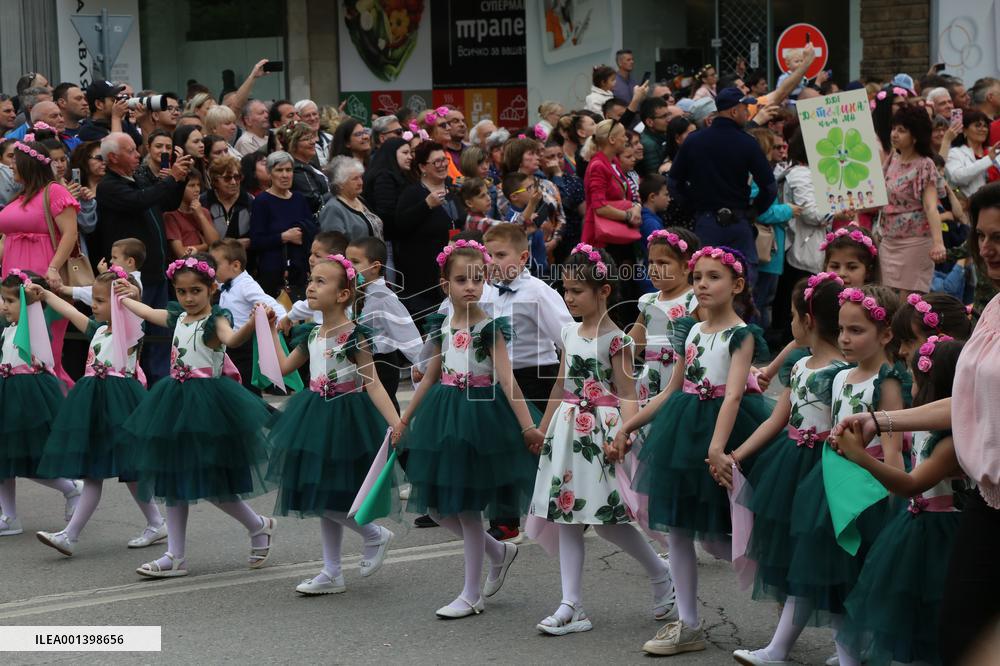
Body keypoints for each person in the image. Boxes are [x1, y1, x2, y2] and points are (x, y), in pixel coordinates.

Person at [831, 182, 1000, 664]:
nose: (987, 248)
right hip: (988, 506)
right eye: (983, 236)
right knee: (960, 635)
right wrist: (880, 419)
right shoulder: (992, 310)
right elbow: (962, 402)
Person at [622, 245, 770, 655]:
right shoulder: (689, 330)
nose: (703, 284)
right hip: (683, 431)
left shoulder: (741, 335)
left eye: (714, 277)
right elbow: (671, 390)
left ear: (737, 285)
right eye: (699, 276)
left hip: (724, 433)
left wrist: (717, 448)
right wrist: (629, 426)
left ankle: (784, 588)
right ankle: (687, 623)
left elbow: (735, 396)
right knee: (681, 530)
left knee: (731, 531)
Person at [524, 244, 673, 634]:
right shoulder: (568, 330)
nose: (569, 297)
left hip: (602, 432)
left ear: (604, 290)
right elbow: (560, 383)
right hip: (568, 430)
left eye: (577, 290)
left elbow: (626, 393)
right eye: (566, 290)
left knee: (608, 521)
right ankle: (571, 605)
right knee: (566, 517)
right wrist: (544, 426)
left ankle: (661, 574)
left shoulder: (617, 340)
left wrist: (625, 434)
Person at [394, 239, 541, 618]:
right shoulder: (442, 323)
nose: (470, 286)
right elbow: (429, 375)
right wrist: (404, 419)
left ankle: (471, 594)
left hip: (481, 418)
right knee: (440, 508)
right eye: (461, 279)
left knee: (468, 509)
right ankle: (500, 551)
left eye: (478, 278)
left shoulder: (490, 328)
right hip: (444, 415)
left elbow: (508, 381)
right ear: (446, 286)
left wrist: (528, 428)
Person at [118, 254, 272, 578]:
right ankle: (175, 555)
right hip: (174, 401)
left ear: (211, 289)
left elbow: (233, 340)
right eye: (182, 291)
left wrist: (255, 323)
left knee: (213, 485)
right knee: (174, 477)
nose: (188, 298)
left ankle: (258, 525)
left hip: (207, 406)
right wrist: (128, 299)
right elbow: (149, 312)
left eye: (196, 291)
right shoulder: (178, 317)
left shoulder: (216, 320)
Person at [729, 274, 849, 665]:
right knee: (805, 558)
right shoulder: (800, 368)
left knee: (825, 561)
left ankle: (844, 650)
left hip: (825, 472)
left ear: (808, 320)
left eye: (794, 314)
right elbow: (775, 420)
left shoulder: (842, 373)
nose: (791, 322)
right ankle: (789, 648)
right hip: (791, 466)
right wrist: (737, 455)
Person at [263, 252, 399, 595]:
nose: (310, 286)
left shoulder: (354, 336)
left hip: (346, 417)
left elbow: (373, 382)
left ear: (342, 294)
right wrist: (267, 332)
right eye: (311, 279)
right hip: (313, 413)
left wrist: (397, 422)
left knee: (331, 495)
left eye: (320, 281)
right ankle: (331, 571)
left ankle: (373, 534)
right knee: (322, 492)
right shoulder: (311, 334)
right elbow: (281, 368)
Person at [833, 337, 965, 666]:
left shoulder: (949, 442)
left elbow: (911, 483)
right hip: (914, 527)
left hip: (941, 535)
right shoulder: (922, 427)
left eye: (915, 379)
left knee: (932, 619)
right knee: (908, 616)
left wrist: (860, 457)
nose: (911, 386)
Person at [32, 270, 166, 556]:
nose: (94, 304)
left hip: (120, 403)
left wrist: (131, 294)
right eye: (93, 299)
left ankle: (155, 523)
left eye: (101, 300)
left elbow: (138, 311)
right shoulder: (98, 331)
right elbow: (70, 309)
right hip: (94, 403)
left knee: (129, 472)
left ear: (119, 303)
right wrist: (46, 295)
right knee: (95, 473)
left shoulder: (129, 330)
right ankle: (72, 535)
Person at [0, 270, 83, 539]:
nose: (4, 306)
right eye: (3, 300)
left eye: (10, 301)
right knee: (3, 459)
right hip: (7, 393)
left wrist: (34, 298)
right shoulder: (9, 329)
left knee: (29, 460)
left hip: (28, 397)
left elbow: (35, 306)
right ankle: (9, 516)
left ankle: (70, 487)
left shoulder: (34, 323)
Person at [669, 88, 775, 282]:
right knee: (743, 285)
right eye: (745, 108)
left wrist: (693, 207)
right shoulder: (747, 143)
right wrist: (754, 210)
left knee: (706, 282)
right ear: (734, 111)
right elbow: (769, 187)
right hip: (739, 222)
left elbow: (674, 183)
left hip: (706, 222)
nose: (747, 113)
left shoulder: (694, 141)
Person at [0, 140, 81, 385]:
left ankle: (56, 402)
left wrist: (54, 268)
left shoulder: (54, 190)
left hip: (43, 276)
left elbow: (70, 233)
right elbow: (6, 238)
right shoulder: (19, 196)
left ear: (28, 164)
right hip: (11, 276)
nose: (11, 166)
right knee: (13, 348)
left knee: (45, 351)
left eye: (15, 161)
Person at [345, 236, 423, 412]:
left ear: (375, 267)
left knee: (383, 409)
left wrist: (421, 363)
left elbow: (405, 331)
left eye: (355, 262)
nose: (349, 267)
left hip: (381, 364)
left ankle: (393, 435)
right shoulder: (356, 292)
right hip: (362, 363)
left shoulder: (383, 297)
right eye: (347, 260)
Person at [882, 105, 947, 293]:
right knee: (887, 304)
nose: (894, 134)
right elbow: (879, 196)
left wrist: (938, 242)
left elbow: (931, 207)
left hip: (916, 243)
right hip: (888, 241)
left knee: (906, 306)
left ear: (915, 136)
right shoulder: (892, 159)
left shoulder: (925, 165)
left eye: (901, 131)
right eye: (894, 128)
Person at [208, 239, 286, 393]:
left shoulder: (245, 285)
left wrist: (284, 320)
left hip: (245, 347)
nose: (211, 269)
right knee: (234, 388)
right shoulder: (225, 283)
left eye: (215, 265)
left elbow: (270, 302)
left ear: (236, 265)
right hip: (230, 344)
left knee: (248, 390)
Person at [631, 228, 699, 403]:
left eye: (662, 263)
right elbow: (633, 344)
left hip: (682, 379)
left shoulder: (694, 300)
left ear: (686, 266)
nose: (653, 268)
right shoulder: (649, 302)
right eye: (651, 262)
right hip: (651, 381)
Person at [394, 141, 460, 316]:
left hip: (451, 267)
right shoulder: (413, 193)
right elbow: (399, 226)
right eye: (436, 162)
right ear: (423, 166)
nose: (443, 165)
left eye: (444, 160)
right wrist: (426, 205)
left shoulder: (452, 188)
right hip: (422, 274)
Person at [249, 151, 317, 299]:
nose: (285, 175)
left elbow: (313, 230)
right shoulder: (262, 202)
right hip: (274, 274)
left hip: (300, 270)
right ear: (269, 173)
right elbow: (256, 241)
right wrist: (284, 237)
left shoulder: (299, 199)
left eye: (288, 170)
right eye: (279, 170)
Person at [748, 128, 798, 331]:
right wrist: (788, 210)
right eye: (773, 146)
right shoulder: (755, 175)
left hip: (771, 251)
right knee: (759, 301)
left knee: (765, 299)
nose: (777, 151)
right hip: (764, 251)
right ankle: (756, 345)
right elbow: (759, 211)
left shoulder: (764, 172)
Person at [362, 137, 411, 253]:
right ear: (392, 154)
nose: (410, 157)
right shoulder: (384, 176)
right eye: (405, 153)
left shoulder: (394, 174)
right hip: (386, 241)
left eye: (410, 153)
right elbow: (386, 212)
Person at [318, 156, 383, 241]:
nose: (360, 182)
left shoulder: (359, 199)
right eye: (355, 179)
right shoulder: (333, 209)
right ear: (340, 183)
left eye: (360, 177)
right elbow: (334, 244)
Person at [163, 170, 221, 258]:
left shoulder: (203, 212)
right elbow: (181, 253)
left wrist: (200, 216)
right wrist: (205, 245)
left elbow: (215, 244)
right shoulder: (171, 215)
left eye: (198, 185)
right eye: (192, 185)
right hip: (184, 267)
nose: (197, 189)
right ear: (180, 188)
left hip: (206, 264)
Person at [277, 122, 330, 214]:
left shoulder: (310, 164)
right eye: (306, 139)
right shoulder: (298, 170)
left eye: (312, 137)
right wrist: (339, 191)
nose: (313, 142)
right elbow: (314, 201)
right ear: (293, 145)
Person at [945, 110, 998, 197]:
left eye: (985, 126)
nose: (983, 129)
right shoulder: (955, 153)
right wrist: (988, 159)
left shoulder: (993, 151)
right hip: (974, 205)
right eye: (977, 125)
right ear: (964, 130)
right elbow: (957, 178)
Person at [76, 81, 140, 146]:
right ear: (99, 104)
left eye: (118, 98)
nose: (118, 102)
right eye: (113, 100)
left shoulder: (125, 124)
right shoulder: (88, 131)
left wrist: (144, 121)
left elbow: (144, 151)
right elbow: (115, 152)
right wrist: (116, 118)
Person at [635, 176, 669, 293]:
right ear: (652, 197)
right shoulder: (651, 223)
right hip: (651, 280)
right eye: (666, 195)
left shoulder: (648, 218)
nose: (669, 199)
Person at [295, 100, 334, 167]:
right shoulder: (299, 144)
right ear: (299, 119)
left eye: (314, 114)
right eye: (307, 116)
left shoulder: (331, 138)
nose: (312, 118)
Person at [639, 97, 671, 175]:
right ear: (649, 122)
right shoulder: (648, 144)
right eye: (664, 117)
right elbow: (655, 176)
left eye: (668, 115)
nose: (668, 119)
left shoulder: (663, 133)